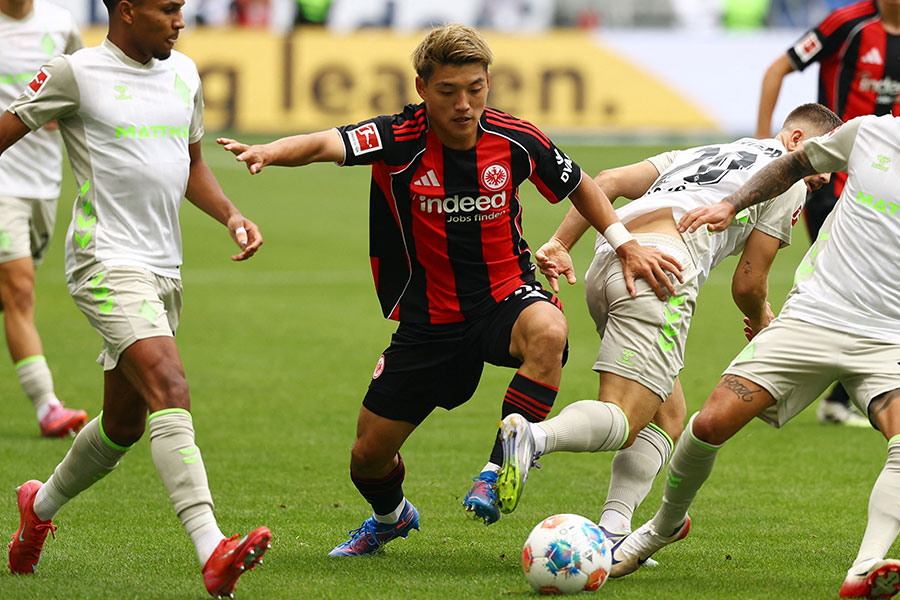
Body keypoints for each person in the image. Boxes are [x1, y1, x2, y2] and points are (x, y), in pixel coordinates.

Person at [218, 23, 683, 554]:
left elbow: (580, 185)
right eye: (448, 91)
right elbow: (328, 142)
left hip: (504, 297)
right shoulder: (398, 137)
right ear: (422, 88)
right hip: (428, 321)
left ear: (489, 83)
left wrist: (623, 242)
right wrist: (269, 153)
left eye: (476, 89)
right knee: (367, 457)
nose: (464, 104)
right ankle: (391, 517)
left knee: (549, 330)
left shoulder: (516, 139)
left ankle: (499, 466)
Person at [0, 0, 271, 595]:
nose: (181, 20)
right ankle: (212, 548)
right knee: (171, 387)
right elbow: (7, 129)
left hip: (163, 269)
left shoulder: (185, 74)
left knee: (124, 423)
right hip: (104, 261)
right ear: (126, 11)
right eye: (169, 9)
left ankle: (36, 510)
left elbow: (191, 162)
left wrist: (230, 214)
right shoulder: (77, 72)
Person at [493, 104, 841, 547]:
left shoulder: (711, 150)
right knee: (625, 417)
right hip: (662, 271)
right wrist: (763, 321)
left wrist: (562, 243)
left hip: (613, 258)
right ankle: (533, 437)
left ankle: (613, 531)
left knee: (669, 415)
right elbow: (748, 283)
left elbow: (608, 182)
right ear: (795, 142)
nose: (825, 176)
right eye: (824, 160)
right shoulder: (786, 179)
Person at [614, 113, 900, 599]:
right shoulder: (871, 132)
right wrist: (730, 203)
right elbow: (793, 165)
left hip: (889, 338)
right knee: (709, 424)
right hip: (815, 315)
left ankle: (866, 565)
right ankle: (661, 527)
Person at [756, 0, 900, 426]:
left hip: (883, 180)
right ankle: (788, 381)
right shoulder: (849, 23)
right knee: (842, 283)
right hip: (832, 180)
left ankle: (830, 393)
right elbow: (775, 69)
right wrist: (764, 145)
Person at [0, 0, 89, 437]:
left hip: (43, 182)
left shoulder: (60, 23)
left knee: (9, 295)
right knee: (19, 290)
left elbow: (83, 85)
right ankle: (47, 405)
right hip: (1, 181)